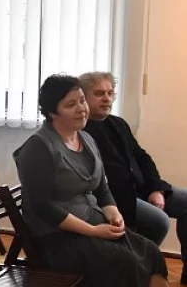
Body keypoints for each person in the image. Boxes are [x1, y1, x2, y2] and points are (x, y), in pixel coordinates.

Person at [14, 74, 187, 287]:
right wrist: (93, 229)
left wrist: (112, 211)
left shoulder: (86, 138)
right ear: (52, 112)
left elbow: (102, 187)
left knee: (150, 252)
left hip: (93, 222)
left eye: (81, 100)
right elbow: (42, 207)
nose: (81, 108)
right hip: (59, 237)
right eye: (71, 104)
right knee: (125, 261)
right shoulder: (38, 147)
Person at [80, 71, 187, 274]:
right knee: (159, 221)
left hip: (141, 187)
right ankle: (139, 274)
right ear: (83, 97)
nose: (107, 98)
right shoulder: (81, 131)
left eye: (110, 93)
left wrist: (156, 189)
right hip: (118, 198)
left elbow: (142, 158)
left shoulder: (118, 123)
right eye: (99, 93)